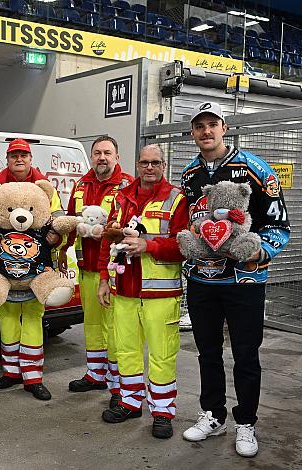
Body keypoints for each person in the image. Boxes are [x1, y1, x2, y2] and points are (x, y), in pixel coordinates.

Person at [180, 102, 290, 457]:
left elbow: (278, 225)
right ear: (193, 132)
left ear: (224, 128)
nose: (206, 131)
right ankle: (214, 415)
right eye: (199, 126)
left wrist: (260, 252)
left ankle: (246, 422)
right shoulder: (189, 174)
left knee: (245, 355)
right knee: (207, 353)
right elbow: (188, 225)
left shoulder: (256, 169)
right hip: (202, 282)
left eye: (212, 124)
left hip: (245, 283)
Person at [98, 144, 188, 439]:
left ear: (164, 165)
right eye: (144, 162)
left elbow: (184, 246)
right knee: (126, 350)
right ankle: (130, 403)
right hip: (123, 289)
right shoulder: (122, 198)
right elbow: (107, 240)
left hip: (160, 294)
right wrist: (103, 279)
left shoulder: (177, 199)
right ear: (137, 164)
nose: (149, 167)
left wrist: (148, 245)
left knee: (162, 354)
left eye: (155, 163)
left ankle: (162, 412)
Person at [0, 138, 64, 401]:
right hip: (4, 268)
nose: (19, 160)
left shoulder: (45, 186)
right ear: (8, 159)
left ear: (31, 158)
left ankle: (33, 377)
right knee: (8, 321)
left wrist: (57, 239)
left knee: (34, 321)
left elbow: (57, 222)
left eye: (23, 155)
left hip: (36, 268)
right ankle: (11, 372)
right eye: (14, 156)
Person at [59, 136, 133, 407]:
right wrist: (61, 250)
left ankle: (117, 384)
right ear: (91, 157)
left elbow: (128, 225)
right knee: (91, 324)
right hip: (86, 268)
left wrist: (107, 231)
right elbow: (69, 219)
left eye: (107, 153)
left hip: (114, 271)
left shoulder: (127, 185)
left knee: (114, 327)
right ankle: (95, 374)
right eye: (97, 153)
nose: (102, 157)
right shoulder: (81, 184)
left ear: (117, 156)